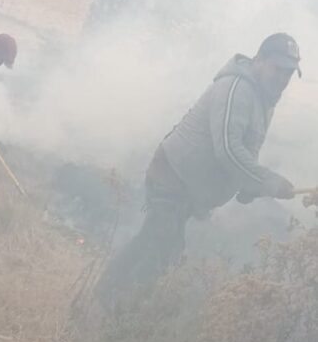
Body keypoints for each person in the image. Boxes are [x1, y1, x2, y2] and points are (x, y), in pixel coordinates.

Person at [97, 33, 301, 305]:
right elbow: (228, 149)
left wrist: (249, 185)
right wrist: (268, 181)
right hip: (172, 176)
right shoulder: (238, 87)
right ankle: (117, 313)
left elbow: (247, 150)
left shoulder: (264, 99)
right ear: (259, 60)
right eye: (278, 69)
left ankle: (102, 301)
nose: (283, 79)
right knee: (161, 251)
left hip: (187, 186)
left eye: (288, 73)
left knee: (152, 243)